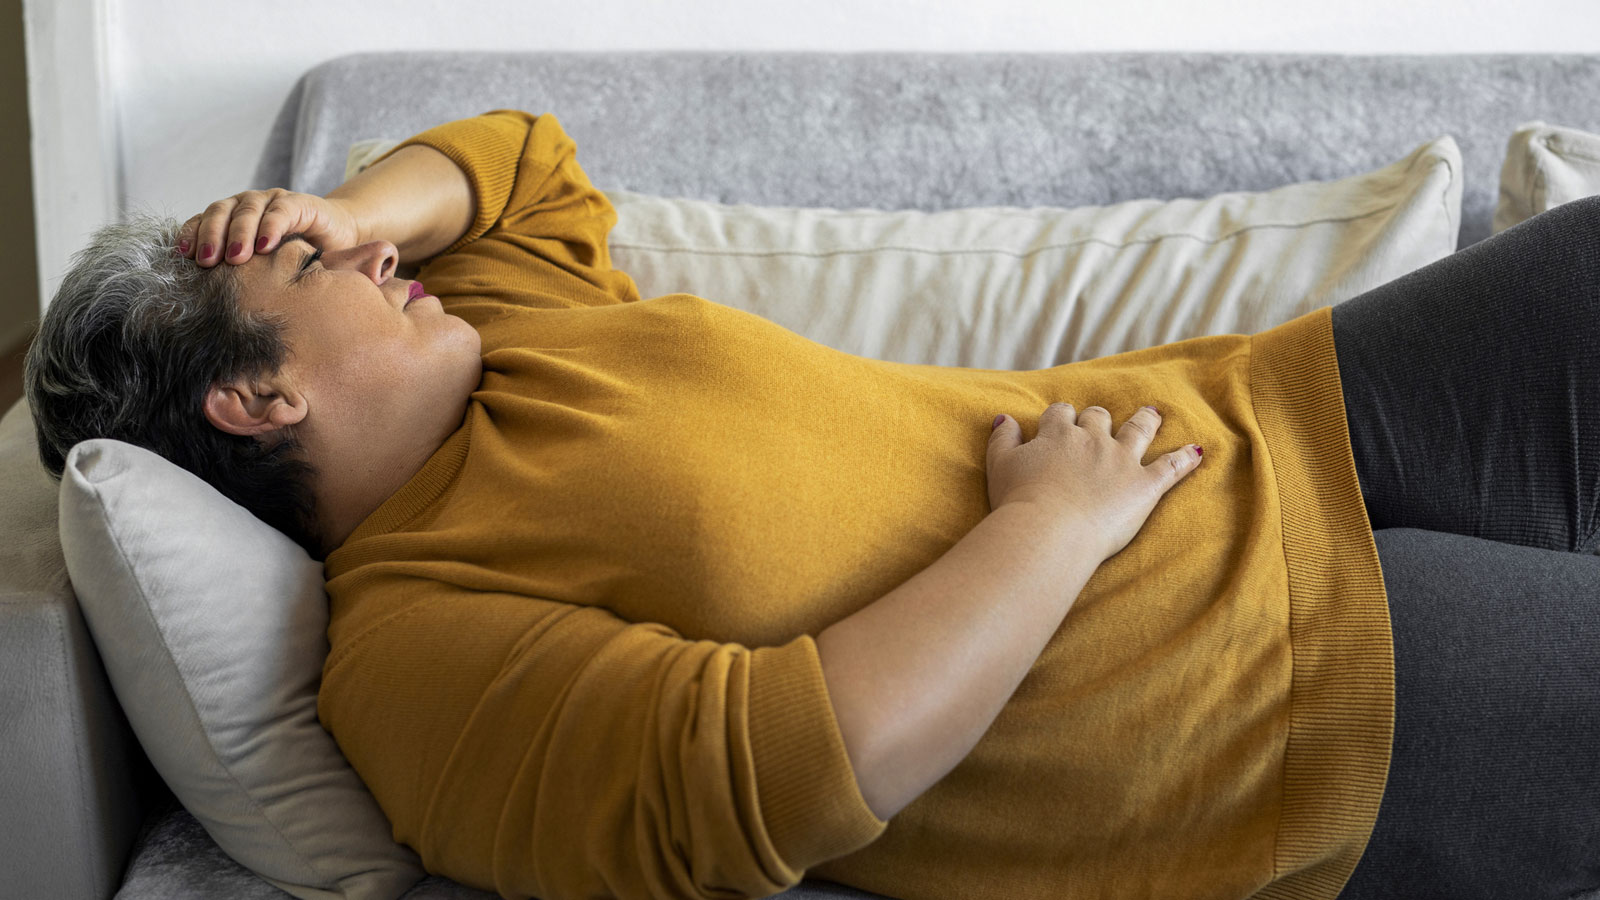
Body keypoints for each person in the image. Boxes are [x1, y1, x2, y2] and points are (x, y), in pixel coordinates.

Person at [23, 109, 1600, 900]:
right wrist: (1048, 529)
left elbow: (525, 163)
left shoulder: (504, 335)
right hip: (1239, 681)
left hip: (1264, 412)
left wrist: (335, 203)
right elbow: (783, 780)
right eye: (321, 269)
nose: (380, 254)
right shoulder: (415, 657)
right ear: (259, 399)